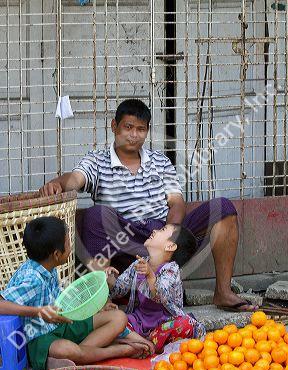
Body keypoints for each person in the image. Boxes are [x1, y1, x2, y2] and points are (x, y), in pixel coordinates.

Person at [40, 99, 256, 312]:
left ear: (147, 131)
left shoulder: (160, 161)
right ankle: (102, 299)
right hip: (124, 244)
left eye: (141, 129)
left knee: (224, 208)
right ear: (114, 127)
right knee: (96, 215)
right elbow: (76, 179)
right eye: (128, 127)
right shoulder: (97, 161)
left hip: (160, 238)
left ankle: (223, 291)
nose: (134, 135)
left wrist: (169, 233)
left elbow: (177, 202)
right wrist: (58, 184)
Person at [0, 216, 151, 370]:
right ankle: (118, 350)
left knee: (118, 317)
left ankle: (77, 356)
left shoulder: (47, 267)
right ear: (57, 254)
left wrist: (97, 307)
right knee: (67, 350)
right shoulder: (33, 279)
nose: (70, 245)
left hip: (62, 322)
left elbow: (66, 300)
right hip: (39, 337)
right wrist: (39, 313)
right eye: (68, 242)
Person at [108, 224, 206, 353]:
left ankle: (140, 344)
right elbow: (118, 291)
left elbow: (161, 296)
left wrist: (150, 276)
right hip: (139, 322)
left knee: (185, 324)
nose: (154, 230)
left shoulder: (171, 269)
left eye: (162, 230)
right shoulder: (138, 264)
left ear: (170, 246)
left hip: (164, 324)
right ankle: (143, 344)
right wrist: (110, 279)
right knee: (115, 320)